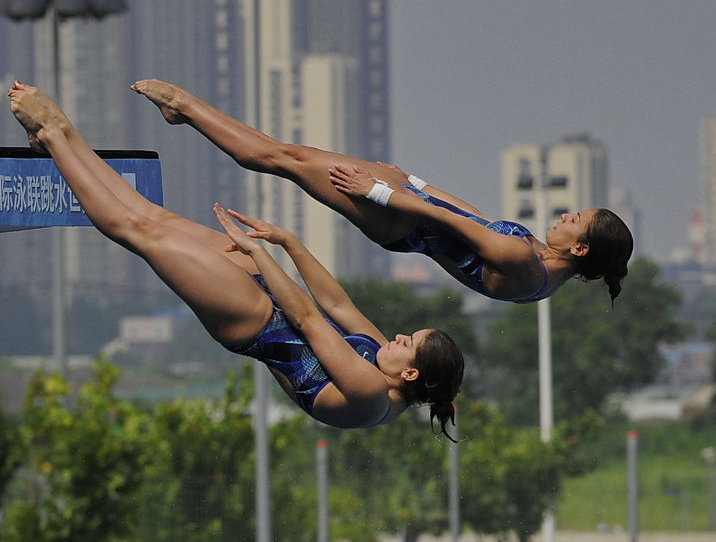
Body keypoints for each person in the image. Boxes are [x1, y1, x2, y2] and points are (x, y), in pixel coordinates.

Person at [7, 82, 464, 438]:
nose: (399, 335)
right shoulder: (384, 361)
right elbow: (338, 306)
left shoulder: (370, 398)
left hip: (254, 323)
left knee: (139, 233)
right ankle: (60, 141)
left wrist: (261, 256)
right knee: (154, 217)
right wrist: (290, 243)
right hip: (272, 298)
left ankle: (53, 132)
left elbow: (308, 320)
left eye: (409, 342)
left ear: (410, 373)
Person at [131, 79, 634, 304]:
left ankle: (183, 107)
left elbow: (449, 223)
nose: (565, 216)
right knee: (290, 154)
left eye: (575, 220)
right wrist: (413, 180)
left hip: (401, 218)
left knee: (283, 158)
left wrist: (382, 191)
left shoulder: (526, 265)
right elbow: (473, 214)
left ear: (582, 247)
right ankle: (186, 110)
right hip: (407, 213)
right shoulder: (542, 270)